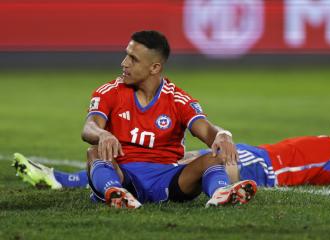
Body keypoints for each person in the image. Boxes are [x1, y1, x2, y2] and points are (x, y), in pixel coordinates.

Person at [31, 30, 258, 209]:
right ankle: (115, 193)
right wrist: (103, 134)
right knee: (94, 152)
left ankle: (221, 194)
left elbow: (208, 132)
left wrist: (223, 135)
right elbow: (89, 127)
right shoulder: (110, 91)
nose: (124, 63)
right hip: (123, 175)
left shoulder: (177, 99)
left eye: (133, 59)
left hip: (169, 178)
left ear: (154, 67)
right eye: (126, 55)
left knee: (213, 158)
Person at [13, 96, 330, 191]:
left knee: (177, 163)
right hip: (261, 154)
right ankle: (72, 178)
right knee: (174, 157)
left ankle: (65, 180)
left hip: (266, 168)